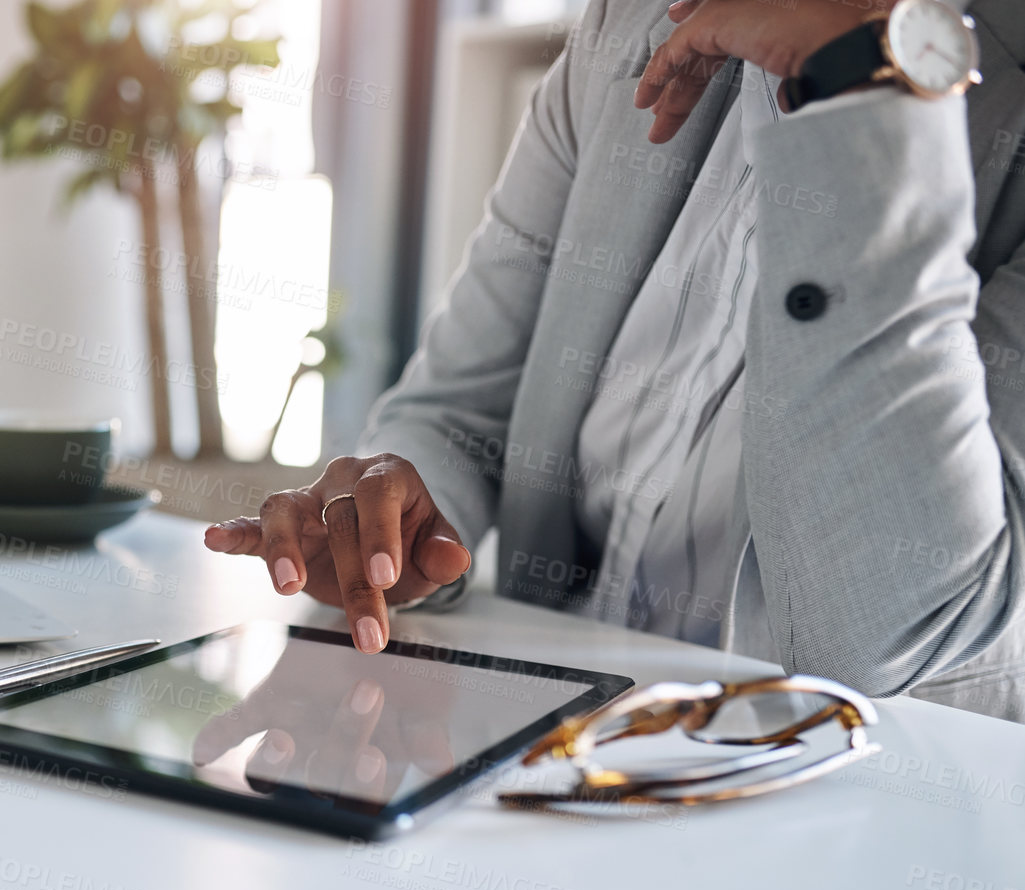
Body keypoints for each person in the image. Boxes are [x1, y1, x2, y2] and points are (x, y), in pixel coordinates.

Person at [205, 0, 1025, 722]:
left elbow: (890, 628)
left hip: (863, 810)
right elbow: (456, 408)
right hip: (546, 735)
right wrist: (404, 506)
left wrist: (857, 87)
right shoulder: (631, 25)